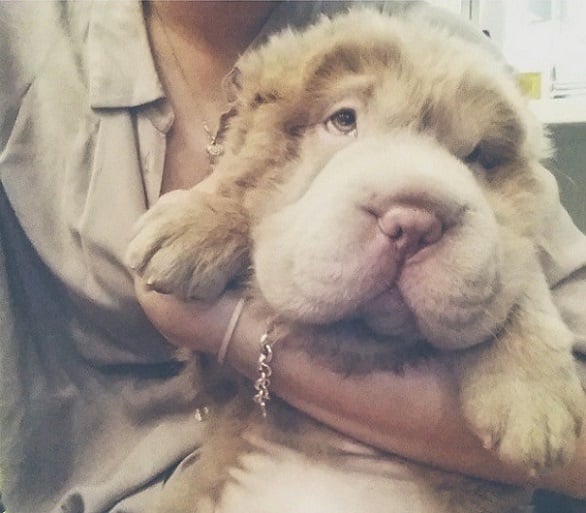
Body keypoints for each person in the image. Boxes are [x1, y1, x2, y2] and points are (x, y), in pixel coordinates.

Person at [0, 1, 584, 512]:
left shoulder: (441, 48)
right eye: (344, 119)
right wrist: (232, 215)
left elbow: (567, 444)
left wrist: (230, 331)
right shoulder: (26, 40)